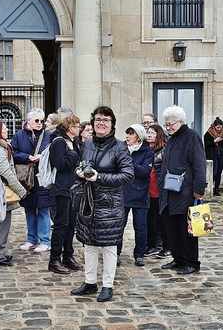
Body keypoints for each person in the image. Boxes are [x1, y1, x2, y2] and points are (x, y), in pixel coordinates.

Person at [71, 106, 134, 302]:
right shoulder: (87, 143)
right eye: (98, 119)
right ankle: (90, 282)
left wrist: (100, 177)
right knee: (88, 243)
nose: (101, 123)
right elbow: (82, 165)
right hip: (88, 201)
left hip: (110, 204)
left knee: (108, 246)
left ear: (112, 124)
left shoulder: (120, 146)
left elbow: (128, 175)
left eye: (106, 120)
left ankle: (108, 285)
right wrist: (79, 173)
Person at [159, 106, 207, 275]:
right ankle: (178, 258)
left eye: (170, 124)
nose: (168, 127)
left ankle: (192, 262)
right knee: (173, 228)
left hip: (186, 190)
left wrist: (199, 188)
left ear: (180, 122)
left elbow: (199, 163)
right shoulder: (171, 139)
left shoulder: (192, 136)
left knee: (187, 229)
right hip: (170, 189)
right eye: (166, 125)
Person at [0, 121, 28, 267]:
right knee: (1, 225)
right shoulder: (0, 148)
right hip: (2, 193)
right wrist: (20, 190)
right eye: (4, 128)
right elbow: (5, 172)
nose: (7, 129)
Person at [10, 108, 54, 253]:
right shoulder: (19, 136)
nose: (40, 123)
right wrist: (27, 157)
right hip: (26, 178)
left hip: (42, 177)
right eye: (36, 120)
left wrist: (43, 157)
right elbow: (13, 154)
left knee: (43, 209)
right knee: (29, 209)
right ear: (28, 121)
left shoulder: (48, 135)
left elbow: (54, 152)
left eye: (42, 120)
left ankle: (45, 240)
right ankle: (32, 239)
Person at [47, 113, 83, 274]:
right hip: (62, 189)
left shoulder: (74, 141)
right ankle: (54, 259)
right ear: (70, 127)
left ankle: (68, 256)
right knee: (61, 224)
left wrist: (74, 151)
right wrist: (72, 153)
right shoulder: (59, 142)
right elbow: (61, 165)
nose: (79, 128)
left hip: (72, 188)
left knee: (71, 224)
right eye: (77, 126)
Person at [118, 124, 154, 267]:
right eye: (127, 133)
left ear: (138, 137)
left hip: (140, 192)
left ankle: (139, 255)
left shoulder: (147, 151)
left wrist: (130, 161)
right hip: (123, 191)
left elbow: (145, 172)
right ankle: (116, 253)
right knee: (119, 225)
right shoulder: (121, 148)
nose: (127, 136)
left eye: (131, 134)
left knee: (140, 226)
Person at [144, 124, 171, 259]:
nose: (149, 135)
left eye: (152, 133)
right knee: (151, 219)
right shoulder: (147, 150)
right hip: (149, 190)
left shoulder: (164, 150)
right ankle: (152, 244)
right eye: (148, 132)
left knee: (163, 219)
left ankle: (167, 246)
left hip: (161, 189)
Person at [204, 117, 223, 196]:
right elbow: (206, 144)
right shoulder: (208, 133)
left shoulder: (222, 133)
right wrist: (214, 141)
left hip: (220, 154)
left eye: (220, 127)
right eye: (218, 127)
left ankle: (217, 189)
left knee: (219, 172)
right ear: (214, 126)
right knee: (213, 172)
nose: (219, 129)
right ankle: (210, 187)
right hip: (212, 155)